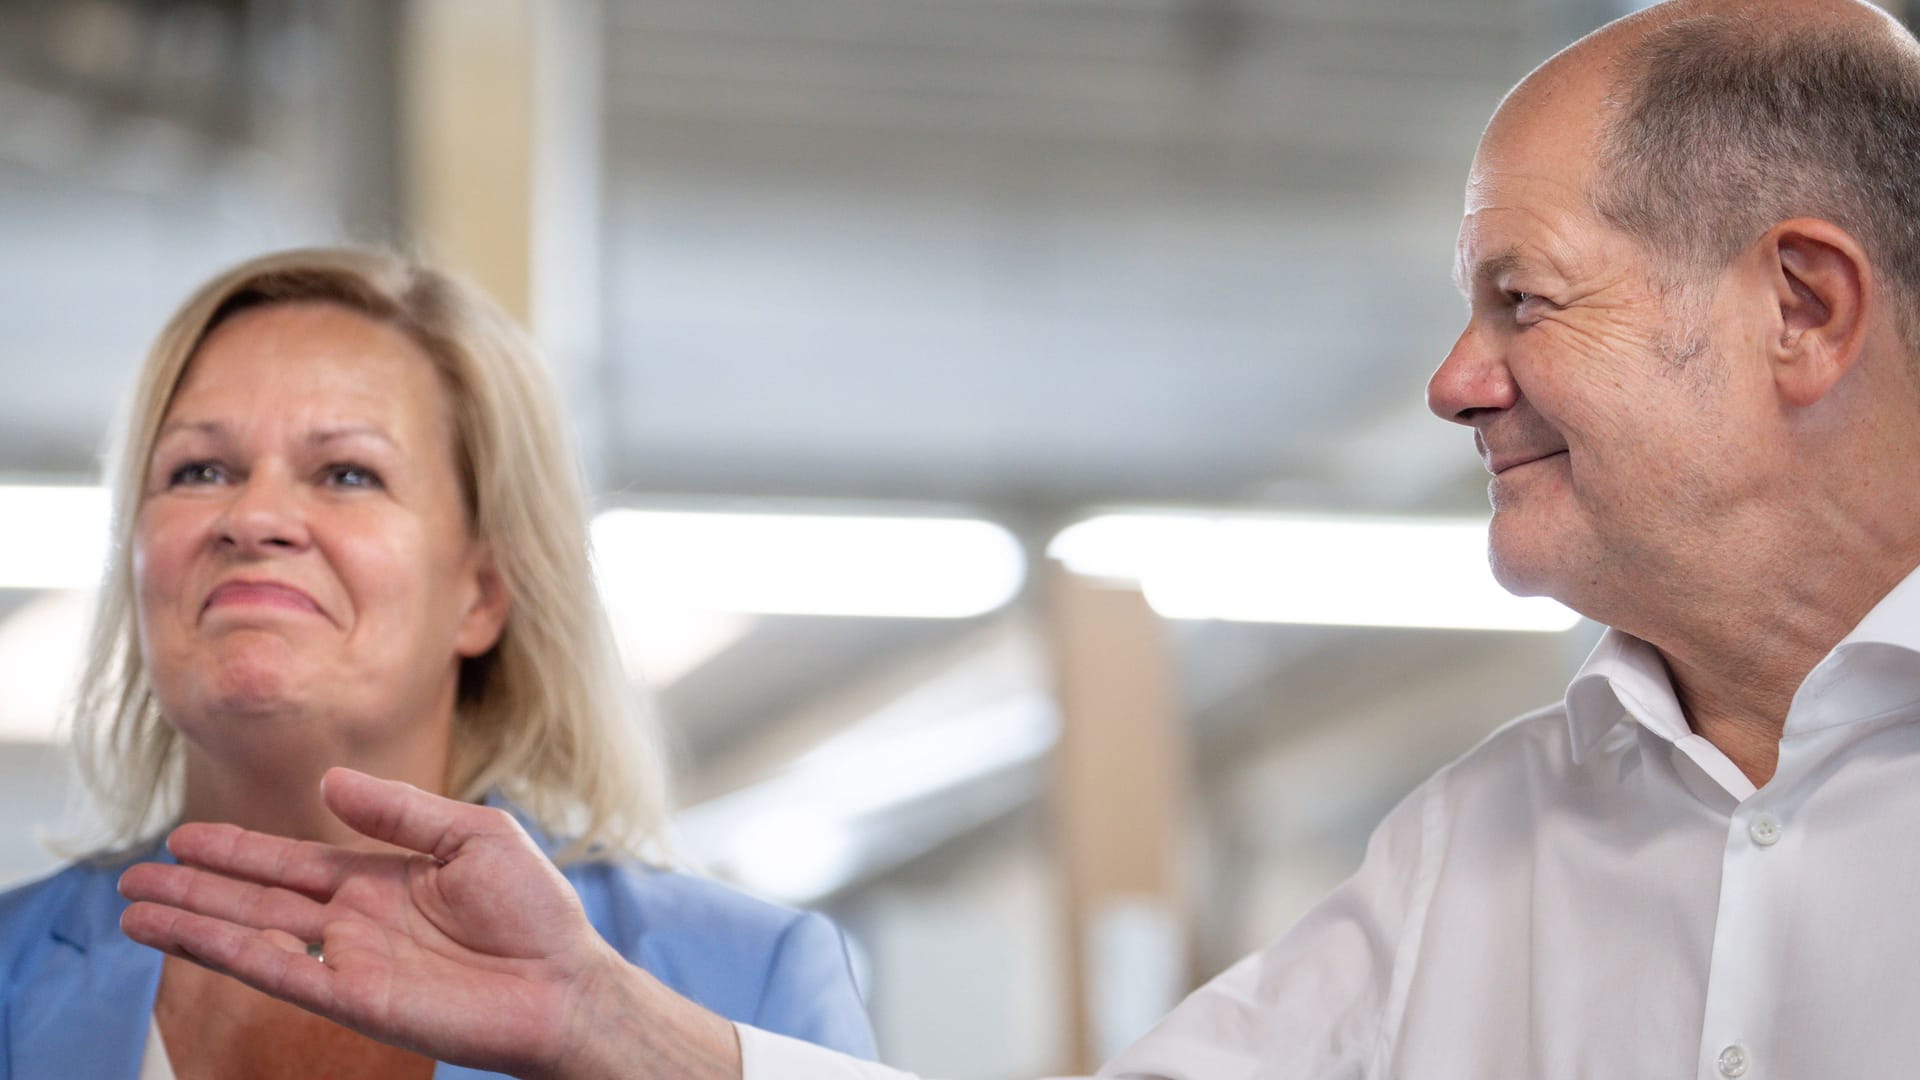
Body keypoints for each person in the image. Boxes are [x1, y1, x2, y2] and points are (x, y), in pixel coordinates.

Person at [114, 0, 1920, 1075]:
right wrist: (609, 1024)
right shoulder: (1495, 841)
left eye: (1525, 302)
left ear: (1804, 310)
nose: (1459, 381)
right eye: (195, 473)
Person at [0, 248, 875, 1079]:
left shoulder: (748, 976)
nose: (253, 515)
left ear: (483, 592)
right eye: (198, 470)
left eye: (346, 474)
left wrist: (610, 1032)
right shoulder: (13, 975)